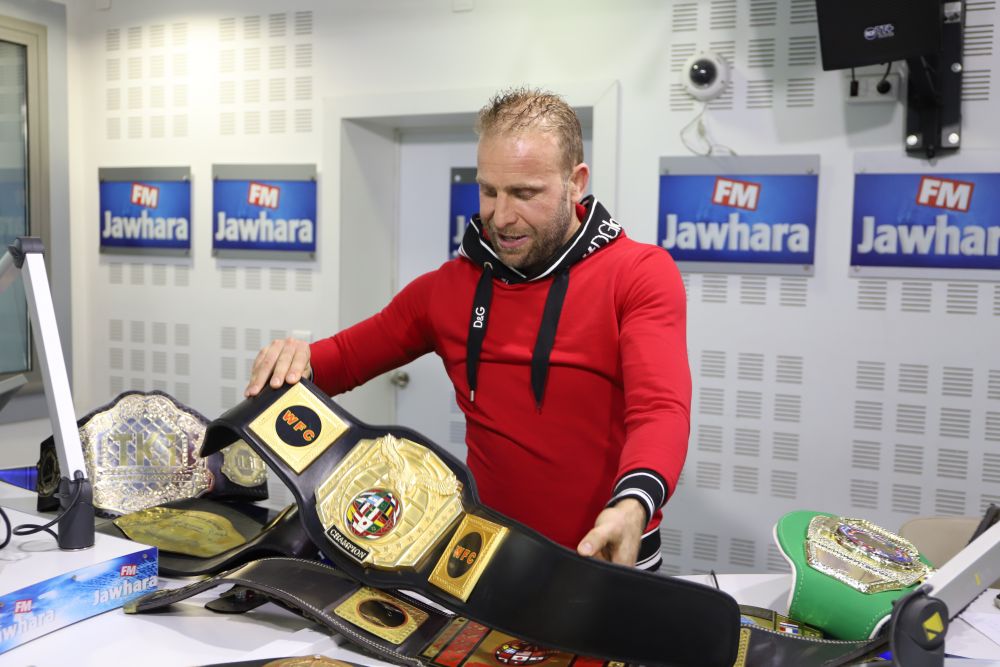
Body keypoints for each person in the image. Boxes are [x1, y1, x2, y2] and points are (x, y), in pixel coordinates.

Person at [245, 87, 690, 571]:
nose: (502, 216)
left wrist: (633, 504)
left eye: (525, 193)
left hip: (605, 554)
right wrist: (294, 358)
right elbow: (342, 361)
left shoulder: (638, 274)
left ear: (575, 182)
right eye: (489, 191)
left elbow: (660, 410)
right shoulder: (447, 288)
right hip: (485, 560)